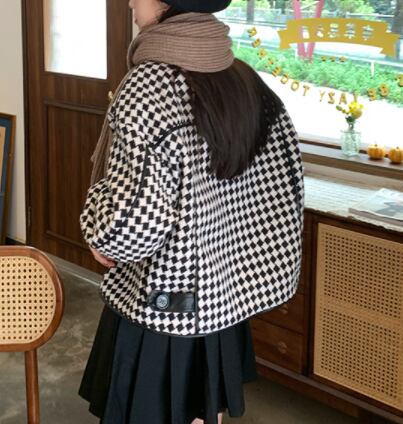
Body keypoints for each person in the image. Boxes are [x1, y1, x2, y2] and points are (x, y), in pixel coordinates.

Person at [78, 0, 305, 423]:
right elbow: (280, 193)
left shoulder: (148, 86)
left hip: (162, 302)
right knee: (204, 410)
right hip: (223, 301)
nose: (130, 1)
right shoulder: (243, 77)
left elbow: (132, 224)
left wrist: (99, 231)